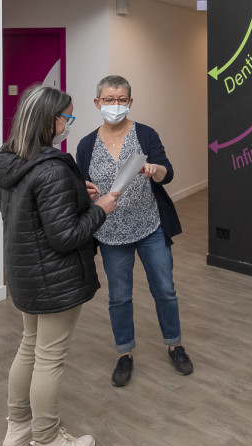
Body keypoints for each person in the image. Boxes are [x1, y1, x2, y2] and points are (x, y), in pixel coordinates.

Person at [0, 84, 119, 446]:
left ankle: (17, 429)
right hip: (56, 280)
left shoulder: (9, 164)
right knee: (49, 357)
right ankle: (47, 445)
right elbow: (66, 236)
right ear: (48, 121)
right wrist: (101, 207)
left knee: (29, 347)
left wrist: (77, 192)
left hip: (24, 274)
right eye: (67, 117)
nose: (69, 124)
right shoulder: (52, 168)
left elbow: (31, 215)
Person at [75, 75, 192, 387]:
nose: (116, 105)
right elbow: (81, 187)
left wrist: (156, 171)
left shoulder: (146, 134)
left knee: (165, 289)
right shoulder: (86, 144)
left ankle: (175, 344)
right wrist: (86, 192)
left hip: (150, 226)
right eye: (109, 100)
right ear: (98, 103)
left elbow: (167, 172)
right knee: (120, 296)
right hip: (111, 234)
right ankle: (124, 353)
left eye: (122, 99)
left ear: (130, 101)